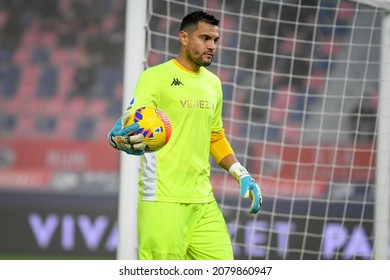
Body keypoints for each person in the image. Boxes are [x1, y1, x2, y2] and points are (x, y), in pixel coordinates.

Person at [108, 10, 262, 260]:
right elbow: (131, 123)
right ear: (184, 38)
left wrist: (240, 173)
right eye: (204, 38)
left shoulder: (214, 83)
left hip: (203, 201)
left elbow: (215, 136)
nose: (212, 46)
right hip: (162, 199)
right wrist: (118, 137)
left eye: (215, 40)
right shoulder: (155, 77)